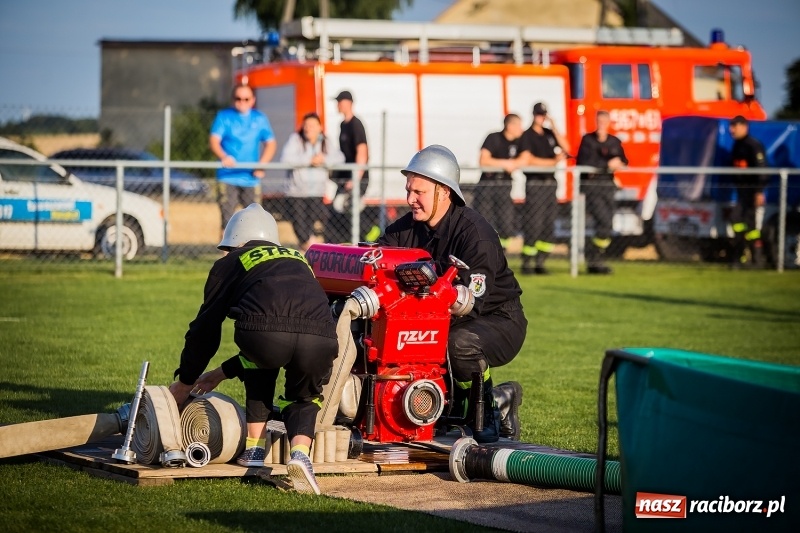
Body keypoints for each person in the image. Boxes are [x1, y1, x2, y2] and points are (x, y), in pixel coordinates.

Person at [169, 203, 338, 495]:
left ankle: (255, 450)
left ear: (236, 242)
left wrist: (185, 382)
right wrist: (220, 373)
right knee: (304, 397)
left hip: (265, 337)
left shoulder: (232, 261)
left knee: (261, 361)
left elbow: (205, 331)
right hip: (323, 337)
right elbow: (293, 323)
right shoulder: (298, 257)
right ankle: (300, 455)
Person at [378, 145, 526, 443]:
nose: (410, 200)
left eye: (418, 192)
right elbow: (377, 255)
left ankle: (488, 411)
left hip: (498, 319)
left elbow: (472, 299)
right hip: (446, 318)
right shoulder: (407, 227)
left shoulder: (475, 233)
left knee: (457, 344)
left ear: (444, 191)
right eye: (408, 190)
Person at [209, 84, 277, 235]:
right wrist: (224, 156)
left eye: (246, 99)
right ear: (233, 100)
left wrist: (261, 165)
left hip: (251, 179)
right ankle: (226, 257)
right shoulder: (224, 116)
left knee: (255, 220)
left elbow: (271, 143)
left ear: (253, 100)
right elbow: (214, 141)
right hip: (227, 177)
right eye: (238, 98)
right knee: (227, 221)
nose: (242, 102)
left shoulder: (259, 118)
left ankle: (253, 255)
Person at [517, 102, 570, 274]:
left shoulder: (549, 134)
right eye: (539, 114)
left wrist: (554, 128)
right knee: (534, 224)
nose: (541, 118)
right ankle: (527, 263)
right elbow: (528, 160)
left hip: (550, 185)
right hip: (535, 184)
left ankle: (540, 263)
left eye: (544, 115)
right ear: (533, 115)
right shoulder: (527, 135)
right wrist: (552, 162)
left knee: (548, 224)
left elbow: (567, 149)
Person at [280, 112, 345, 250]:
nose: (308, 128)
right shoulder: (296, 139)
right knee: (299, 226)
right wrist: (308, 160)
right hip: (297, 192)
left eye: (312, 125)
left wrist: (324, 160)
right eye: (306, 125)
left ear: (319, 127)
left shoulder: (325, 142)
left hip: (317, 191)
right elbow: (286, 159)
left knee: (310, 225)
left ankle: (310, 250)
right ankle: (312, 248)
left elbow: (339, 158)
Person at [575, 110, 628, 274]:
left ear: (608, 123)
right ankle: (594, 259)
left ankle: (596, 258)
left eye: (604, 121)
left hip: (608, 186)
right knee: (603, 221)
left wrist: (618, 163)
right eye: (599, 121)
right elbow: (584, 162)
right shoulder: (588, 140)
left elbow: (624, 160)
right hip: (593, 188)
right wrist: (607, 165)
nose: (601, 125)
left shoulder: (614, 141)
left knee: (607, 224)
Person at [326, 90, 378, 243]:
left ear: (348, 103)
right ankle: (349, 240)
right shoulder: (343, 125)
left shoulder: (356, 124)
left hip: (357, 177)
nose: (337, 105)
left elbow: (362, 152)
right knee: (339, 208)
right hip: (346, 176)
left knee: (349, 208)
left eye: (340, 101)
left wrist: (356, 178)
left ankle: (373, 234)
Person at [475, 114, 524, 248]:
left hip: (504, 187)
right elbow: (484, 160)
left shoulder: (519, 142)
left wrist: (514, 164)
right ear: (510, 126)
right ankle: (483, 250)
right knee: (483, 221)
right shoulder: (493, 138)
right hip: (488, 186)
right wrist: (505, 164)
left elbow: (526, 158)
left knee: (506, 223)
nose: (521, 129)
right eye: (519, 125)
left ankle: (501, 252)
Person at [728, 115, 769, 268]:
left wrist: (759, 191)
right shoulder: (737, 146)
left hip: (752, 192)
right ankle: (741, 256)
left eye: (735, 126)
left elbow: (763, 170)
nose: (731, 129)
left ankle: (757, 260)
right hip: (742, 192)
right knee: (737, 220)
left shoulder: (753, 146)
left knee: (750, 226)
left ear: (744, 126)